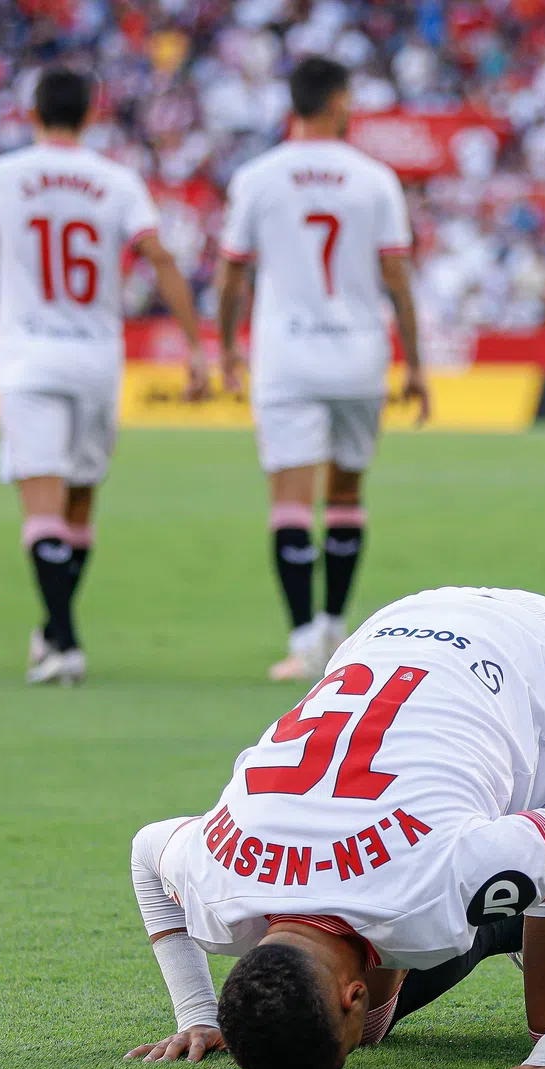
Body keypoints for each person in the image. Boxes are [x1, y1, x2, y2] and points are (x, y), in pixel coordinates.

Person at [125, 587, 545, 1069]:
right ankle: (520, 895)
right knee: (380, 1018)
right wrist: (201, 1015)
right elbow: (148, 848)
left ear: (348, 995)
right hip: (391, 636)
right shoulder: (211, 874)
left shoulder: (437, 874)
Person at [0, 66, 208, 686]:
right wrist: (198, 349)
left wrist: (11, 267)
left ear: (33, 113)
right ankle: (55, 631)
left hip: (28, 356)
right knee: (80, 505)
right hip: (96, 357)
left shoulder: (3, 176)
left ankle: (63, 638)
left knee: (40, 509)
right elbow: (159, 257)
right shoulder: (117, 182)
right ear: (92, 114)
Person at [216, 55, 428, 682]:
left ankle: (304, 636)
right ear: (337, 102)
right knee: (346, 495)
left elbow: (233, 273)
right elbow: (397, 277)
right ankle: (337, 628)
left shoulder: (258, 177)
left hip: (286, 356)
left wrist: (227, 345)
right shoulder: (375, 179)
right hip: (359, 354)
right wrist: (416, 363)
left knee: (289, 501)